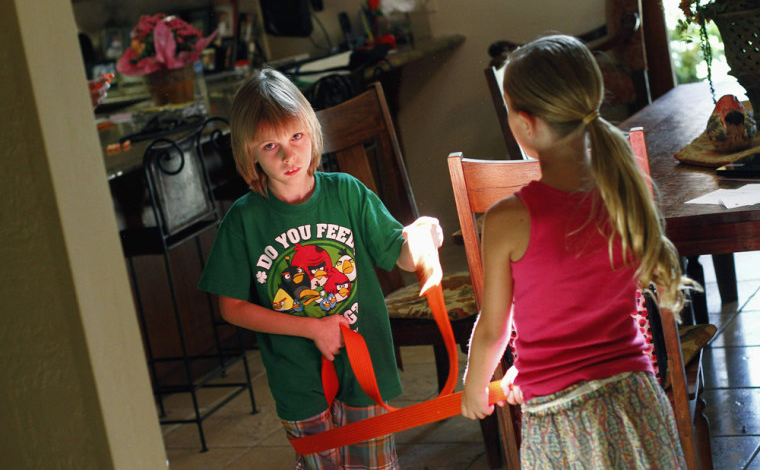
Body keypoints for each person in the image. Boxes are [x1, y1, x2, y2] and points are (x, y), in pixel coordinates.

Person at [460, 35, 696, 469]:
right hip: (636, 399)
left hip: (563, 419)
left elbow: (495, 329)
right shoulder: (626, 188)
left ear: (526, 124)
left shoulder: (507, 219)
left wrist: (475, 387)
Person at [198, 67, 442, 470]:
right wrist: (312, 327)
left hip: (364, 363)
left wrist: (418, 238)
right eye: (270, 146)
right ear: (250, 154)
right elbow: (232, 307)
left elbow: (398, 253)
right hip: (297, 378)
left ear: (312, 131)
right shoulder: (243, 221)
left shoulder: (348, 192)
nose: (289, 154)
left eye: (296, 136)